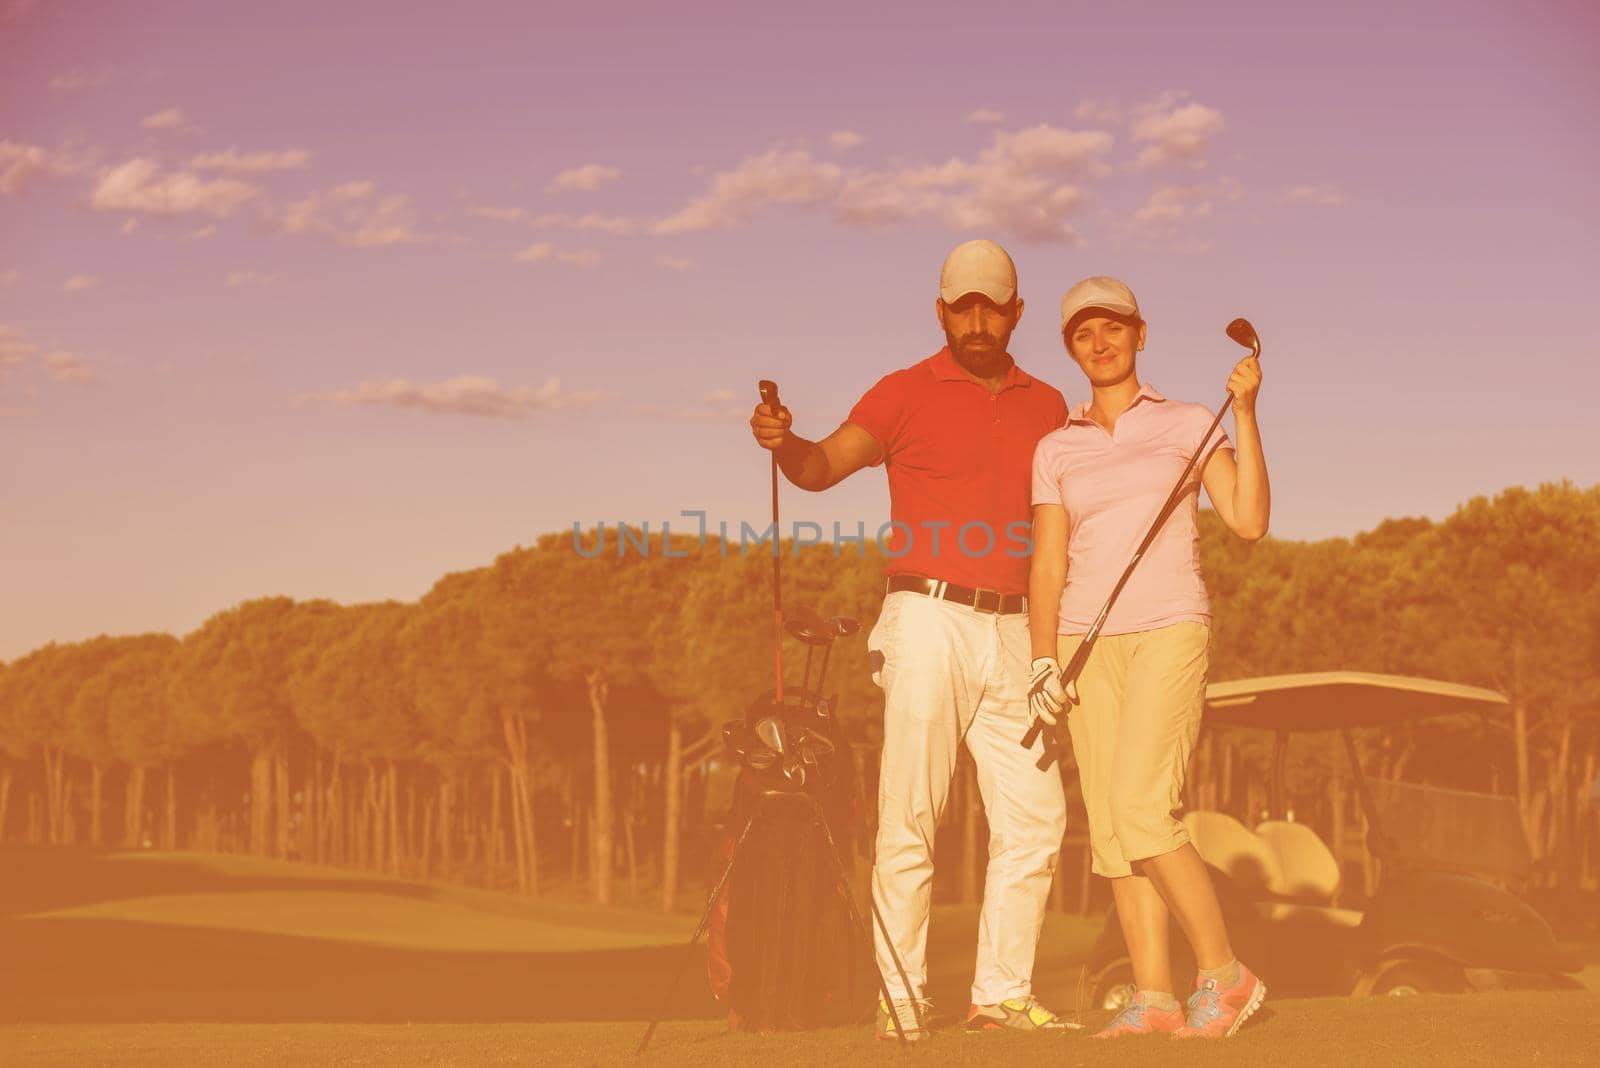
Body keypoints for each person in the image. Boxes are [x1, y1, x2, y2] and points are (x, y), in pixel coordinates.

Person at [749, 239, 1073, 1040]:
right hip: (927, 618)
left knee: (1036, 819)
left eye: (991, 304)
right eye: (961, 304)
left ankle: (1000, 995)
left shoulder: (1050, 405)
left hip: (1018, 631)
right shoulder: (903, 392)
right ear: (941, 311)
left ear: (1015, 312)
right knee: (911, 816)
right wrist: (784, 441)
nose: (976, 318)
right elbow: (821, 467)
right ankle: (901, 1001)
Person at [1027, 276, 1270, 1039]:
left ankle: (1227, 977)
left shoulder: (1192, 422)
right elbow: (1046, 563)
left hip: (1169, 626)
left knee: (1142, 807)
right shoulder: (1056, 446)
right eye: (1082, 334)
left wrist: (1245, 413)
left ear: (1140, 334)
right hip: (1081, 647)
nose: (1099, 344)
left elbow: (1250, 520)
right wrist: (1041, 660)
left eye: (1113, 329)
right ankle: (1155, 998)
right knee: (1111, 830)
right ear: (1070, 347)